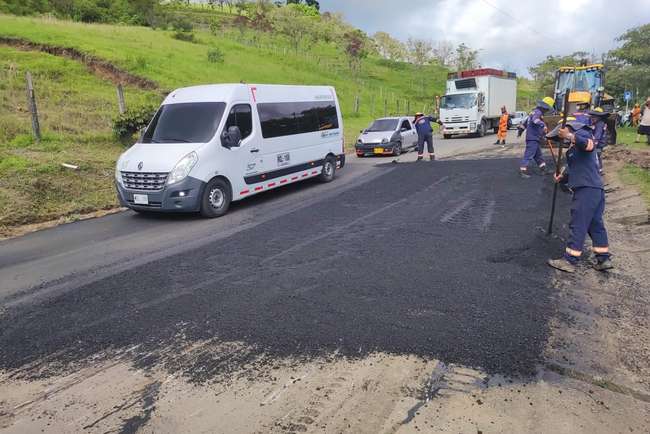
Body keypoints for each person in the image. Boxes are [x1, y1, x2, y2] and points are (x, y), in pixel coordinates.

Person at [547, 120, 613, 273]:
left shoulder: (582, 134)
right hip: (595, 189)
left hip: (586, 189)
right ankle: (603, 258)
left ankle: (570, 260)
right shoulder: (573, 149)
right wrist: (562, 178)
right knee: (594, 224)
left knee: (578, 223)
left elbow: (589, 145)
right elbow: (575, 169)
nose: (561, 142)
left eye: (561, 138)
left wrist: (570, 135)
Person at [519, 98, 553, 178]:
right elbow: (535, 120)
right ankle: (523, 170)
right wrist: (543, 125)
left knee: (538, 155)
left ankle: (543, 169)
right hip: (532, 138)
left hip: (535, 138)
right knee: (529, 154)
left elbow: (525, 123)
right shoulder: (538, 112)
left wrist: (521, 130)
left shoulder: (533, 112)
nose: (547, 111)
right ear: (545, 107)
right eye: (547, 109)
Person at [588, 107, 609, 173]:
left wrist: (595, 143)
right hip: (599, 142)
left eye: (594, 117)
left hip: (599, 143)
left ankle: (598, 169)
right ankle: (599, 168)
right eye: (592, 117)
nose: (592, 118)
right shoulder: (597, 123)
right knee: (597, 155)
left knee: (596, 155)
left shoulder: (600, 124)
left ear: (599, 117)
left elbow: (598, 135)